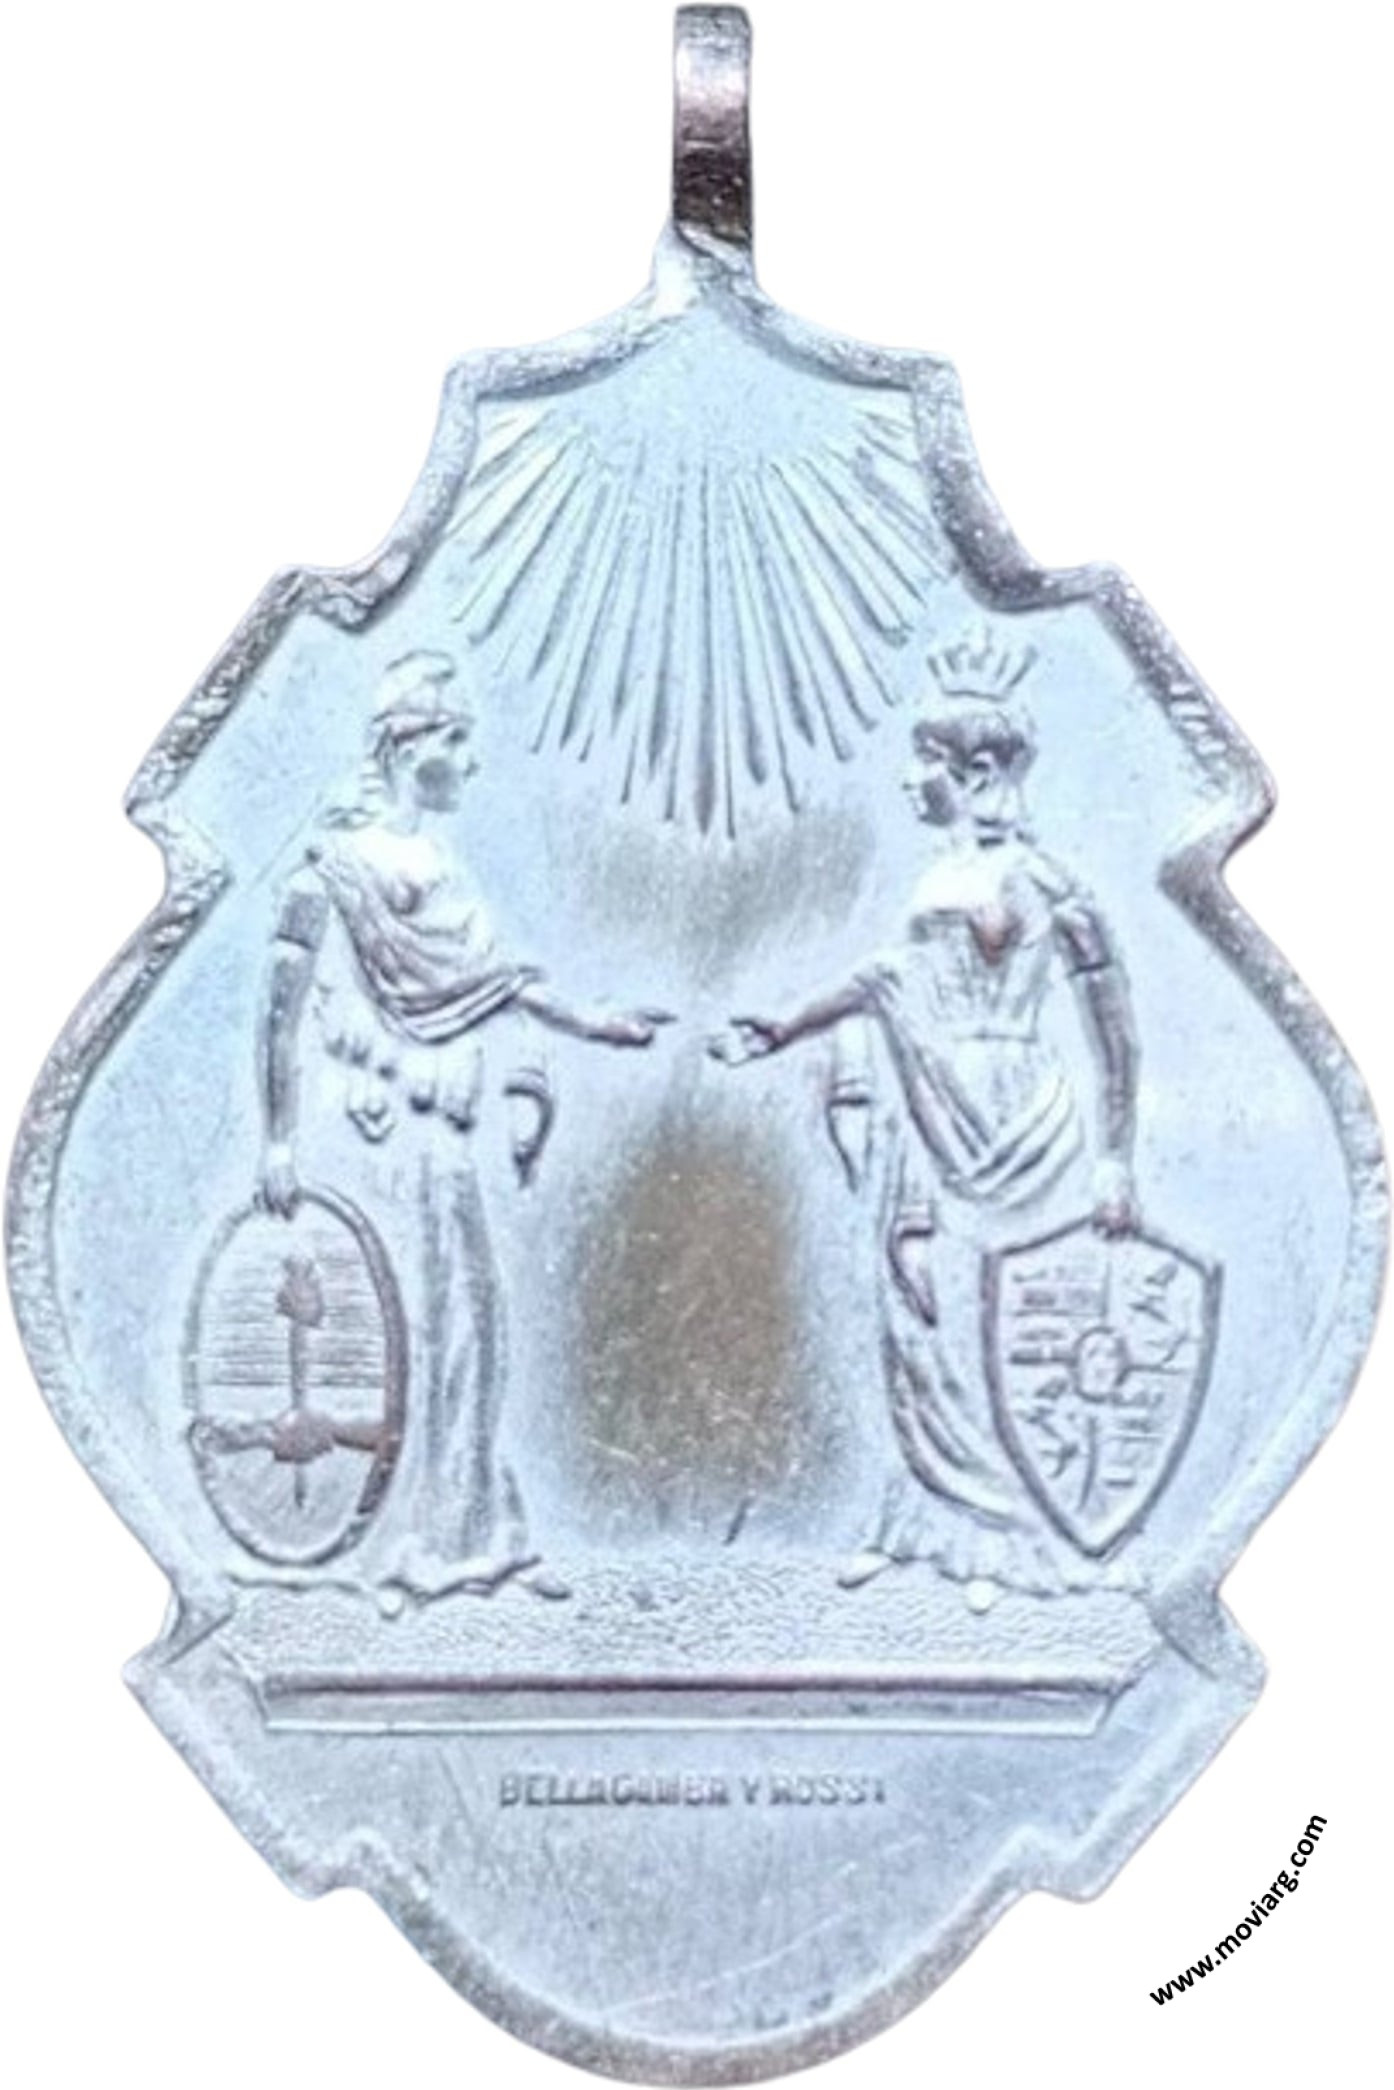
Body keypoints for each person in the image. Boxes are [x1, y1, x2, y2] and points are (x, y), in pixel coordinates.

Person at [710, 634, 1142, 1591]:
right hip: (930, 1107)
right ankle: (931, 1526)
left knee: (1010, 1312)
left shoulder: (1048, 882)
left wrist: (1116, 1156)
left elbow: (1112, 1021)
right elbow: (885, 978)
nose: (909, 780)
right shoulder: (931, 882)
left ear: (977, 774)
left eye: (926, 762)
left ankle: (1018, 1533)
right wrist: (784, 1026)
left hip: (1018, 1114)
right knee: (920, 1310)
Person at [258, 650, 667, 1597]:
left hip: (444, 1132)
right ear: (409, 750)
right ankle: (420, 1544)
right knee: (420, 1327)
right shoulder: (332, 873)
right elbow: (280, 1012)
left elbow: (498, 982)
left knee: (474, 1321)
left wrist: (597, 1024)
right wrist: (277, 1137)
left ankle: (476, 1536)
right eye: (457, 741)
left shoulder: (440, 864)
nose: (471, 763)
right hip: (378, 1138)